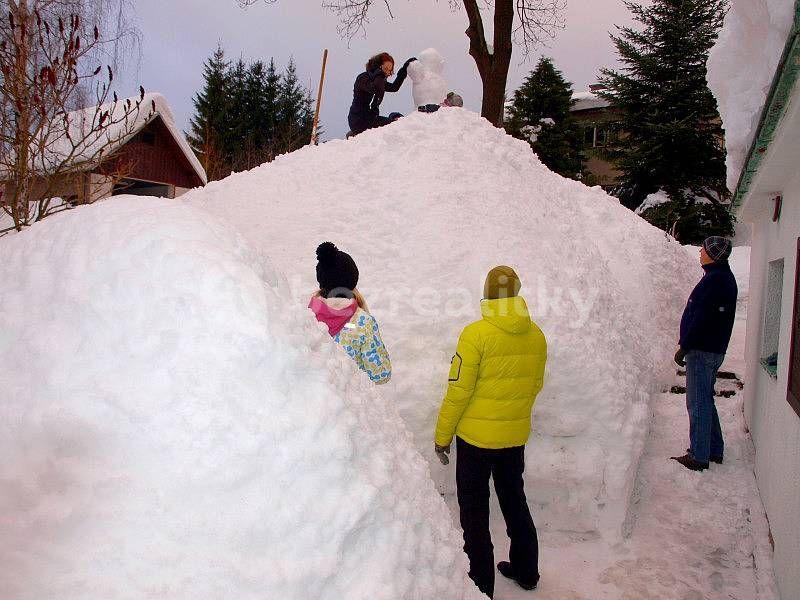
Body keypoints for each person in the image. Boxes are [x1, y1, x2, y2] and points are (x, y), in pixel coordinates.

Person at [434, 266, 547, 598]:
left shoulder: (475, 334)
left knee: (474, 510)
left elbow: (458, 391)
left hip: (475, 441)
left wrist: (442, 436)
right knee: (514, 499)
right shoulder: (536, 335)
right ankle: (526, 571)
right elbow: (535, 385)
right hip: (513, 439)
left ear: (487, 293)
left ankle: (481, 586)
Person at [671, 237, 738, 472]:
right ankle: (713, 448)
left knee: (697, 402)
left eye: (704, 248)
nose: (700, 251)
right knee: (705, 400)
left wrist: (685, 346)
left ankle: (699, 456)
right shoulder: (720, 277)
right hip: (711, 348)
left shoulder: (715, 280)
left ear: (713, 254)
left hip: (702, 349)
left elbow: (702, 318)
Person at [309, 242, 391, 384]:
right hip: (349, 399)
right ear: (353, 280)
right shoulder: (363, 323)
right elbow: (381, 374)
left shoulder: (306, 315)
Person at [347, 52, 416, 137]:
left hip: (369, 118)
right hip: (358, 120)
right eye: (386, 68)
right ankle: (354, 133)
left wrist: (404, 69)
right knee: (394, 125)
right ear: (378, 66)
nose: (387, 73)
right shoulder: (363, 78)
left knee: (394, 123)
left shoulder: (379, 80)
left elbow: (394, 87)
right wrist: (379, 74)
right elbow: (373, 88)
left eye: (390, 70)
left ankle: (353, 134)